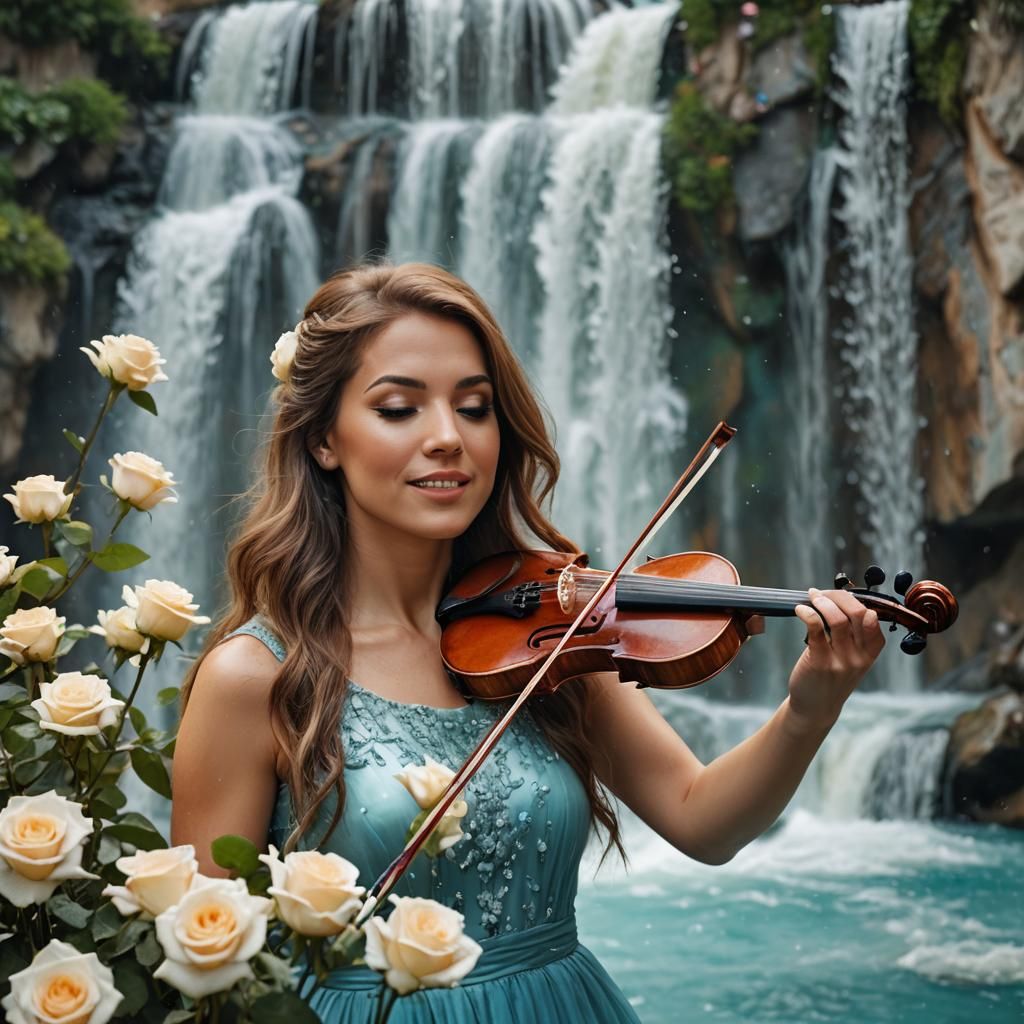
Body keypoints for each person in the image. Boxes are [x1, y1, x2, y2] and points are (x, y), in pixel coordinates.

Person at [171, 262, 886, 1022]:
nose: (448, 438)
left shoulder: (553, 637)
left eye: (474, 408)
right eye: (398, 409)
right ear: (322, 440)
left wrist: (811, 707)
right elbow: (208, 974)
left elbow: (702, 820)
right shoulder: (256, 677)